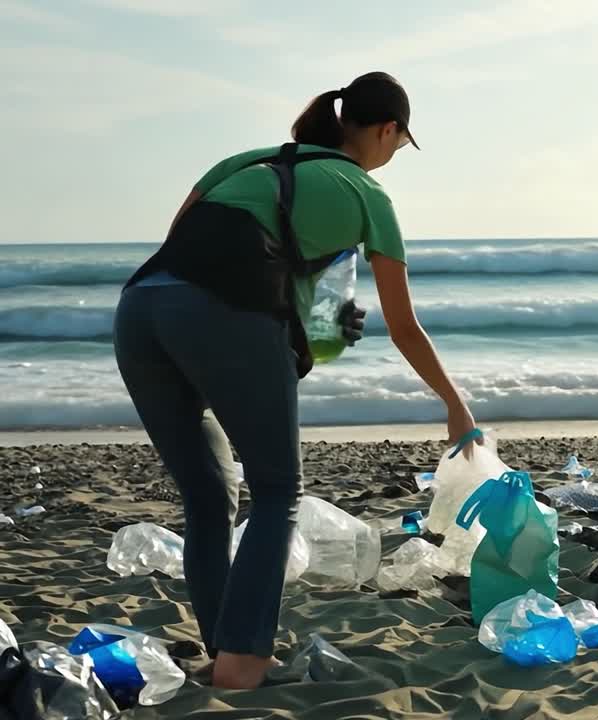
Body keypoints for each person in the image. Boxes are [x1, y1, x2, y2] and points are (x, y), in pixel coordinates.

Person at [113, 72, 477, 688]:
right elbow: (405, 325)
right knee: (278, 490)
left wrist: (302, 329)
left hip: (140, 312)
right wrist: (456, 405)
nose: (392, 157)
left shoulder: (242, 163)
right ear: (387, 131)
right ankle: (245, 662)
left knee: (208, 497)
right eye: (398, 143)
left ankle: (225, 652)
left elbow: (186, 247)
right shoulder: (366, 193)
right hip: (219, 316)